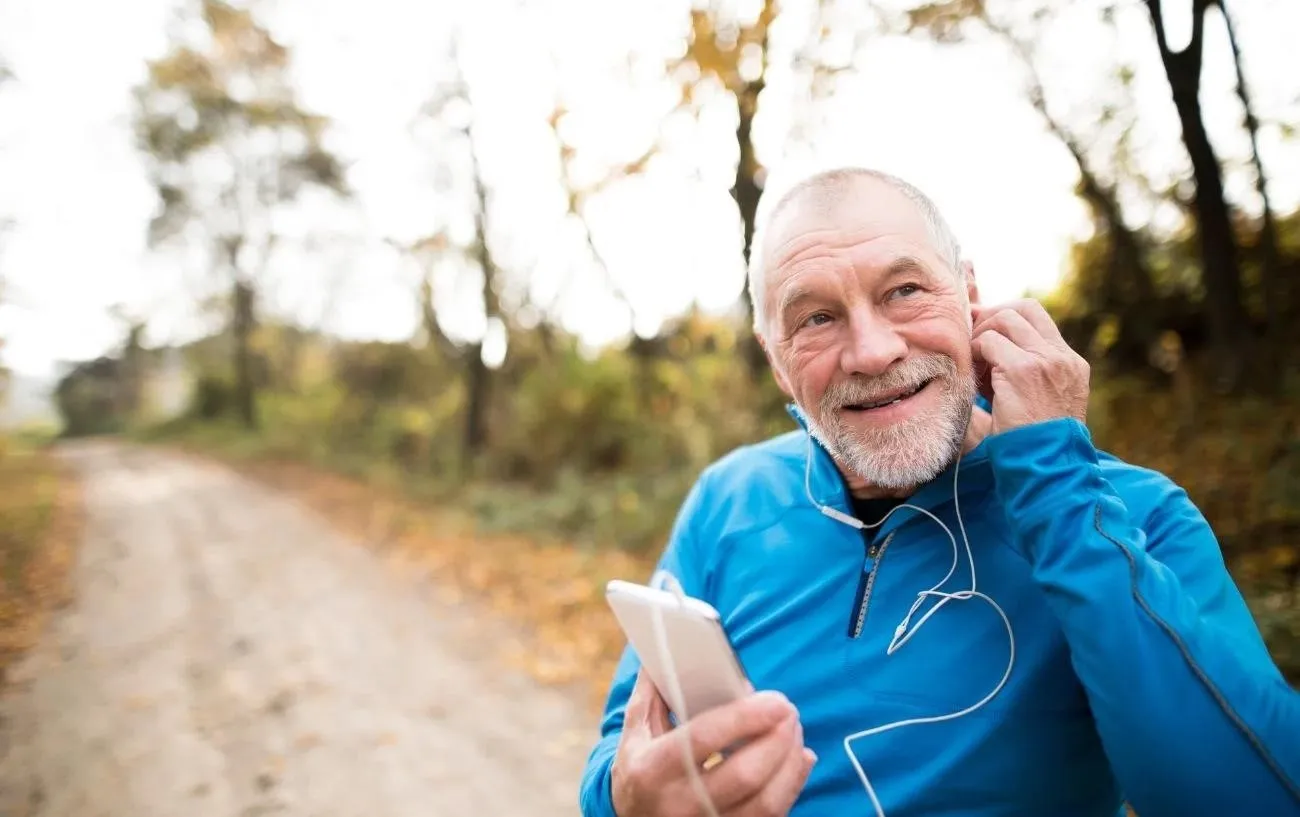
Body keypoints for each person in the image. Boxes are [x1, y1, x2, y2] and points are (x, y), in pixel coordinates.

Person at [577, 166, 1300, 817]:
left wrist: (1056, 491)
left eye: (905, 291)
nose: (872, 350)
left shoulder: (1133, 514)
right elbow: (620, 751)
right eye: (817, 318)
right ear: (776, 361)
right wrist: (627, 797)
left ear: (971, 297)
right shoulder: (727, 498)